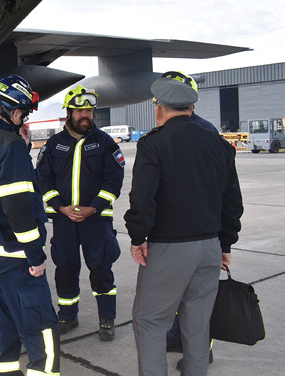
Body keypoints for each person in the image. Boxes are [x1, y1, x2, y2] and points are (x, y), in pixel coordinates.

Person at [124, 76, 243, 375]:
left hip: (169, 248)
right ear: (191, 107)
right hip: (209, 247)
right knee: (198, 323)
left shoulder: (154, 144)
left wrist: (138, 236)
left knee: (150, 321)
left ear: (159, 110)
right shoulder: (219, 145)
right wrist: (225, 245)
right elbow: (232, 202)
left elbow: (142, 198)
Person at [0, 75, 60, 375]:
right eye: (22, 112)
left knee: (7, 330)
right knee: (43, 336)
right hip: (18, 259)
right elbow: (17, 207)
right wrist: (35, 255)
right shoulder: (11, 145)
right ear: (11, 110)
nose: (23, 118)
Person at [35, 85, 124, 341]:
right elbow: (43, 180)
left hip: (96, 220)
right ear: (69, 113)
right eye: (80, 110)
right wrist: (60, 207)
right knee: (65, 268)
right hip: (64, 221)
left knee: (101, 269)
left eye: (89, 110)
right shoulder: (53, 145)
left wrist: (93, 207)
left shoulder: (105, 143)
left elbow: (114, 180)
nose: (86, 115)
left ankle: (107, 319)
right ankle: (67, 316)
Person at [158, 71, 217, 369]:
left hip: (195, 231)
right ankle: (176, 335)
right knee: (180, 293)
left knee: (196, 299)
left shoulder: (204, 132)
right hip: (183, 230)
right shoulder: (183, 130)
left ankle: (201, 351)